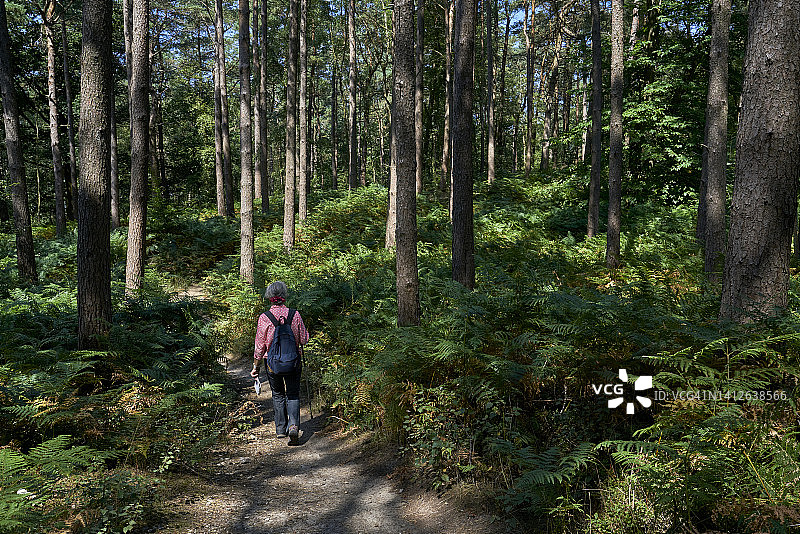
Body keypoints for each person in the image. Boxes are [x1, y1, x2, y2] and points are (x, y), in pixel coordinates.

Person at [251, 281, 309, 445]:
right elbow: (304, 340)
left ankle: (280, 430)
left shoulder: (264, 318)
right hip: (293, 362)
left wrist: (255, 367)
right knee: (292, 394)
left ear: (269, 297)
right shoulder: (295, 314)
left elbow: (259, 346)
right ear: (284, 296)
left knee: (277, 394)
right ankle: (293, 426)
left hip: (272, 363)